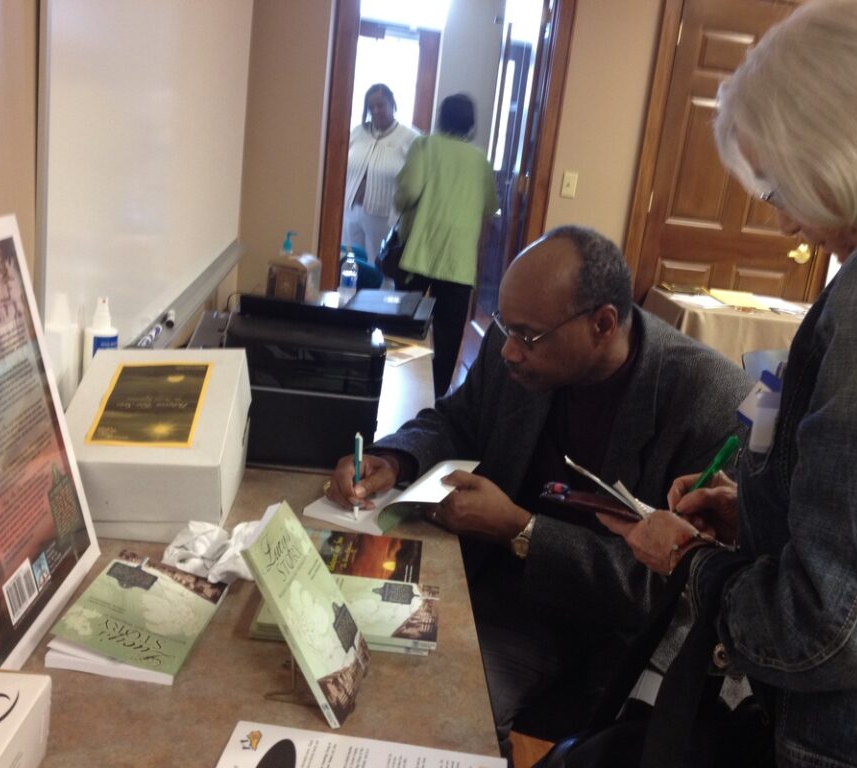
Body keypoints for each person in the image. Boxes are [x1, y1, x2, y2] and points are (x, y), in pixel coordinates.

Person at [601, 1, 857, 765]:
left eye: (778, 187)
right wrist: (772, 511)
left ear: (846, 145)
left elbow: (837, 626)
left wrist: (691, 564)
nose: (788, 224)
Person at [323, 225, 753, 753]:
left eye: (526, 336)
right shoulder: (519, 348)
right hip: (498, 588)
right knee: (377, 677)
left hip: (614, 634)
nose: (508, 349)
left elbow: (664, 586)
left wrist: (522, 530)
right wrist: (395, 458)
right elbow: (458, 420)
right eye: (505, 325)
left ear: (603, 324)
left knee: (449, 722)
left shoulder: (709, 401)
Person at [392, 93, 499, 398]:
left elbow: (408, 192)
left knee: (405, 327)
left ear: (441, 117)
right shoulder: (480, 160)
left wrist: (401, 201)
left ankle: (399, 389)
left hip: (419, 252)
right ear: (471, 124)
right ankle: (435, 399)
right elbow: (489, 206)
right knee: (449, 336)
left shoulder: (425, 146)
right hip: (458, 260)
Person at [342, 83, 418, 259]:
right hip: (351, 210)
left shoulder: (410, 138)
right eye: (371, 107)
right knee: (349, 261)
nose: (376, 111)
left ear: (392, 104)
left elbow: (415, 180)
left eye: (381, 105)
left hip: (382, 215)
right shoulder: (358, 132)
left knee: (376, 264)